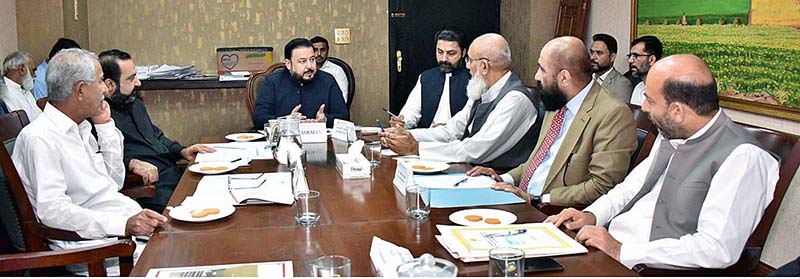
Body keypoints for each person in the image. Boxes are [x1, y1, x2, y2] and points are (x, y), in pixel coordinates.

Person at [544, 54, 779, 269]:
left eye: (649, 100)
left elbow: (716, 248)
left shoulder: (743, 157)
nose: (643, 107)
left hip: (643, 266)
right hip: (608, 248)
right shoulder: (672, 132)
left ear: (676, 110)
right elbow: (629, 189)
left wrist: (622, 250)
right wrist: (592, 215)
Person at [11, 48, 167, 274]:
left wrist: (104, 125)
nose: (105, 88)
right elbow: (53, 211)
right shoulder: (40, 138)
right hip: (96, 251)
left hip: (123, 236)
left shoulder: (80, 127)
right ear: (81, 90)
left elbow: (113, 182)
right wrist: (122, 225)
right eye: (100, 81)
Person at [467, 36, 637, 208]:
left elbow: (602, 186)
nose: (536, 76)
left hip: (552, 213)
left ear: (564, 78)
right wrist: (501, 179)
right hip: (521, 199)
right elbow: (537, 162)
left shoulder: (613, 114)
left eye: (542, 69)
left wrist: (538, 199)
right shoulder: (556, 101)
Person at [380, 33, 543, 170]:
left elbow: (477, 148)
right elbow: (451, 131)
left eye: (470, 61)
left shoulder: (515, 100)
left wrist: (416, 148)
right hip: (472, 170)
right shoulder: (482, 91)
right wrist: (407, 135)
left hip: (499, 178)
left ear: (484, 66)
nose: (468, 67)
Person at [99, 49, 215, 213]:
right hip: (151, 188)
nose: (138, 83)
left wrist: (182, 150)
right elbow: (98, 158)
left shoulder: (134, 103)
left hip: (174, 174)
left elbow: (155, 136)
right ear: (110, 84)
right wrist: (130, 164)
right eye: (131, 79)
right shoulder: (99, 117)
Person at [253, 38, 349, 128]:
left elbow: (344, 117)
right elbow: (259, 118)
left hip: (319, 141)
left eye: (312, 59)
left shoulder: (327, 80)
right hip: (285, 142)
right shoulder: (273, 81)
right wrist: (287, 121)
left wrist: (326, 120)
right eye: (302, 61)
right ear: (288, 64)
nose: (309, 66)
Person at [391, 29, 471, 129]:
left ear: (463, 53)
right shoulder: (426, 78)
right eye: (440, 52)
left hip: (458, 142)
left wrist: (450, 128)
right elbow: (411, 112)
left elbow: (475, 121)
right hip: (427, 139)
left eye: (451, 53)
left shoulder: (473, 79)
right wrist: (402, 122)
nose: (444, 59)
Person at [590, 33, 632, 102]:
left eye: (599, 53)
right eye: (591, 52)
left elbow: (621, 112)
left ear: (612, 57)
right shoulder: (585, 78)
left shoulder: (622, 84)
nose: (592, 57)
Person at [2, 51, 42, 120]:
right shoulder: (5, 93)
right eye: (33, 70)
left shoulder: (25, 89)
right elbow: (19, 124)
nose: (35, 75)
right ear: (22, 69)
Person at [310, 36, 349, 104]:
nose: (319, 54)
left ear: (327, 51)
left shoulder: (337, 70)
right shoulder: (304, 70)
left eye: (323, 50)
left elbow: (343, 100)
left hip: (329, 112)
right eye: (315, 50)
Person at [627, 36, 662, 105]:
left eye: (636, 56)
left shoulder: (665, 90)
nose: (630, 60)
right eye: (630, 56)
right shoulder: (638, 88)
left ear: (651, 60)